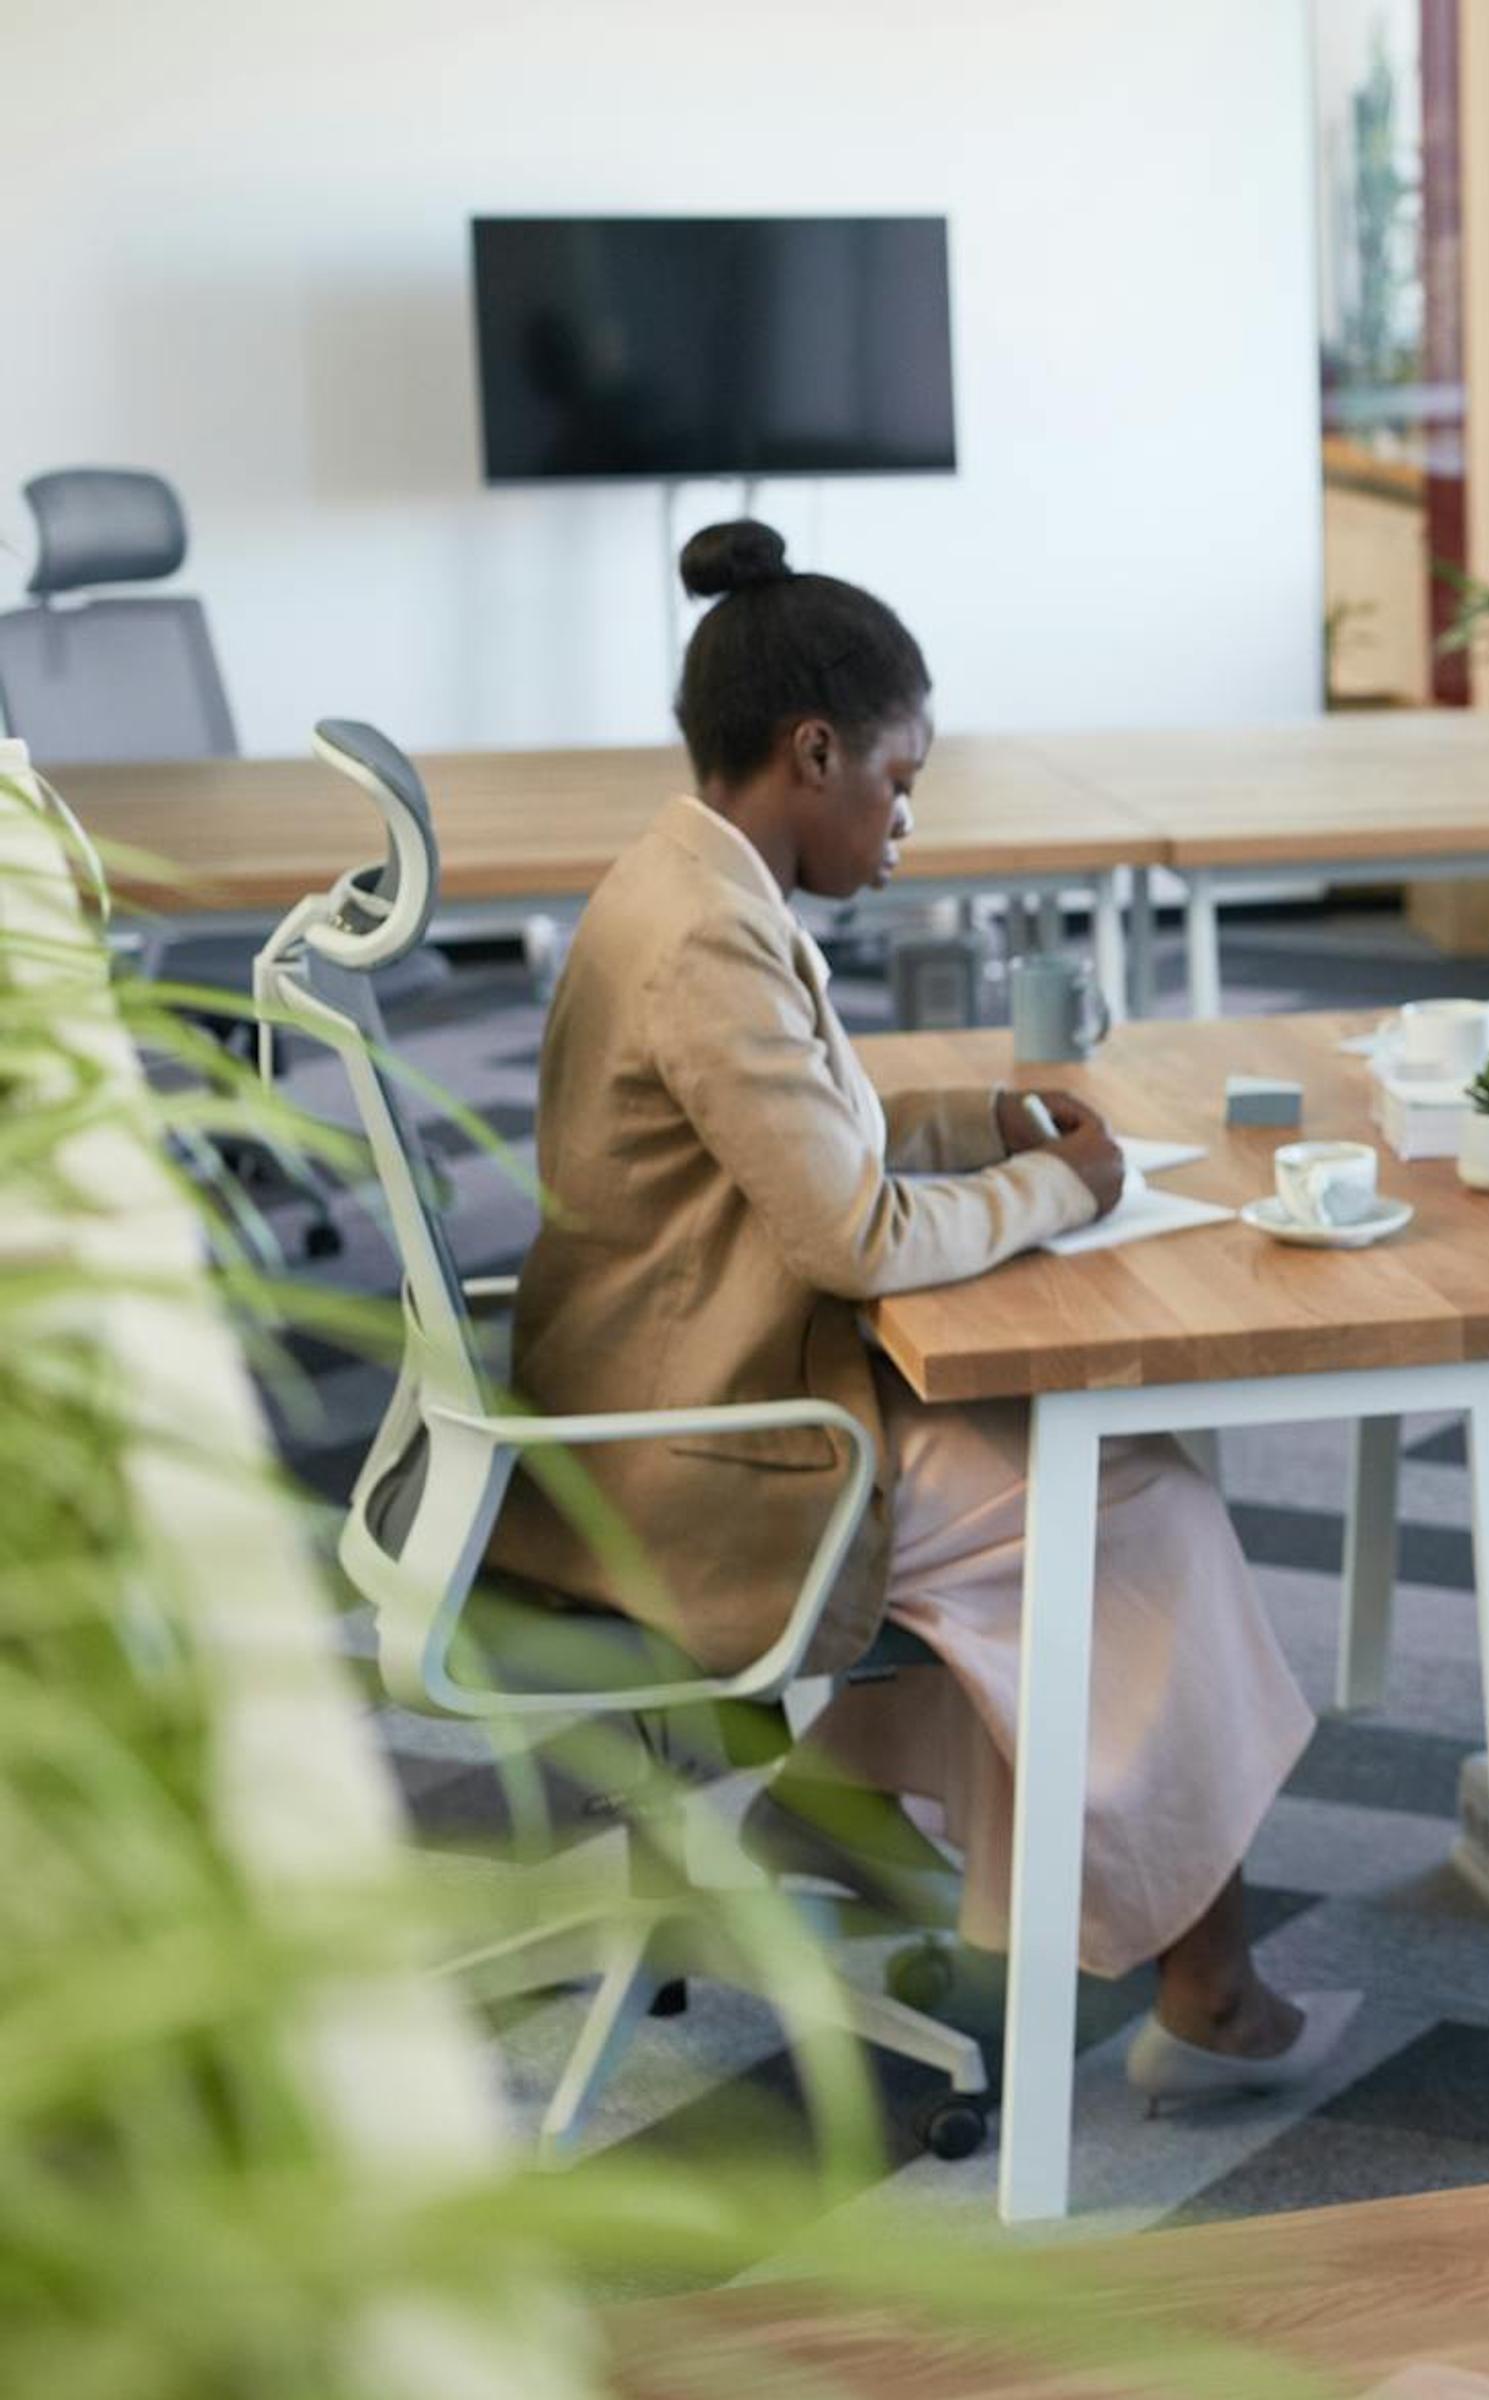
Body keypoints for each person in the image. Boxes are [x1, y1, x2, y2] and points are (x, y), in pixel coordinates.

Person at [494, 519, 1332, 2103]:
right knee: (1132, 1504)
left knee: (1074, 1465)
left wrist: (980, 1137)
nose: (908, 821)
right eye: (899, 777)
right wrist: (1066, 1196)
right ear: (812, 752)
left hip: (669, 1379)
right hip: (698, 1446)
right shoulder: (710, 938)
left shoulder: (686, 878)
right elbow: (854, 1238)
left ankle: (892, 1832)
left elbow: (799, 1147)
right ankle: (1206, 1989)